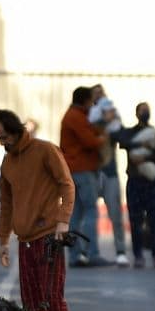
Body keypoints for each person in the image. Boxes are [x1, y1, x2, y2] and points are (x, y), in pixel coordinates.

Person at [0, 109, 78, 311]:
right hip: (24, 239)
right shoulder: (7, 163)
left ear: (16, 130)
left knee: (52, 296)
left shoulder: (45, 150)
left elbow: (67, 185)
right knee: (30, 299)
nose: (2, 142)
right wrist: (3, 241)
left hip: (49, 236)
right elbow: (6, 204)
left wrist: (63, 220)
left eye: (4, 136)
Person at [113, 103, 155, 269]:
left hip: (152, 182)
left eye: (146, 110)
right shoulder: (130, 133)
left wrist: (146, 153)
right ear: (136, 113)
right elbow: (123, 141)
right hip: (135, 180)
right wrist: (142, 145)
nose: (145, 113)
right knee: (135, 220)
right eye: (142, 110)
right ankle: (138, 255)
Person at [59, 86, 109, 267]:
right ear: (85, 101)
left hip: (74, 170)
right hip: (83, 170)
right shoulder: (76, 116)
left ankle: (75, 256)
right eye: (90, 100)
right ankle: (92, 253)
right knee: (90, 212)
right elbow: (90, 141)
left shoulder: (73, 115)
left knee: (76, 213)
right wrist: (104, 137)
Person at [89, 92, 129, 266]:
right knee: (89, 214)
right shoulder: (92, 124)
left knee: (116, 215)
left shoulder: (114, 126)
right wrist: (106, 121)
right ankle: (88, 251)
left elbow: (122, 137)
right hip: (93, 173)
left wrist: (114, 121)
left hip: (110, 174)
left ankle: (120, 251)